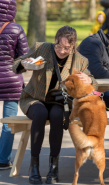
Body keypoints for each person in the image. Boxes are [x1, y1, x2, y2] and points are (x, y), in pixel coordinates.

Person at [12, 26, 98, 184]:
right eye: (58, 46)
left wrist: (89, 80)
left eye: (67, 48)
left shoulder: (80, 60)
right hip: (34, 98)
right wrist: (25, 64)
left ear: (73, 46)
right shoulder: (42, 48)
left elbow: (93, 81)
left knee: (57, 116)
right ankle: (34, 166)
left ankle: (53, 167)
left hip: (58, 101)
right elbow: (16, 64)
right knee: (40, 113)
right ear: (55, 41)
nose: (62, 51)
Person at [0, 0, 29, 170]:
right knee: (8, 123)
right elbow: (23, 59)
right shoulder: (16, 29)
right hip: (11, 81)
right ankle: (3, 160)